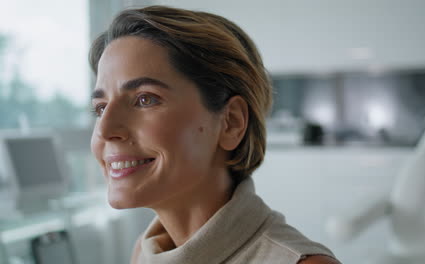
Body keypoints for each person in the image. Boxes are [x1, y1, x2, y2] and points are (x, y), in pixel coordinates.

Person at [89, 5, 340, 264]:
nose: (105, 130)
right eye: (100, 108)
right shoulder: (143, 252)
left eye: (145, 99)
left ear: (231, 122)